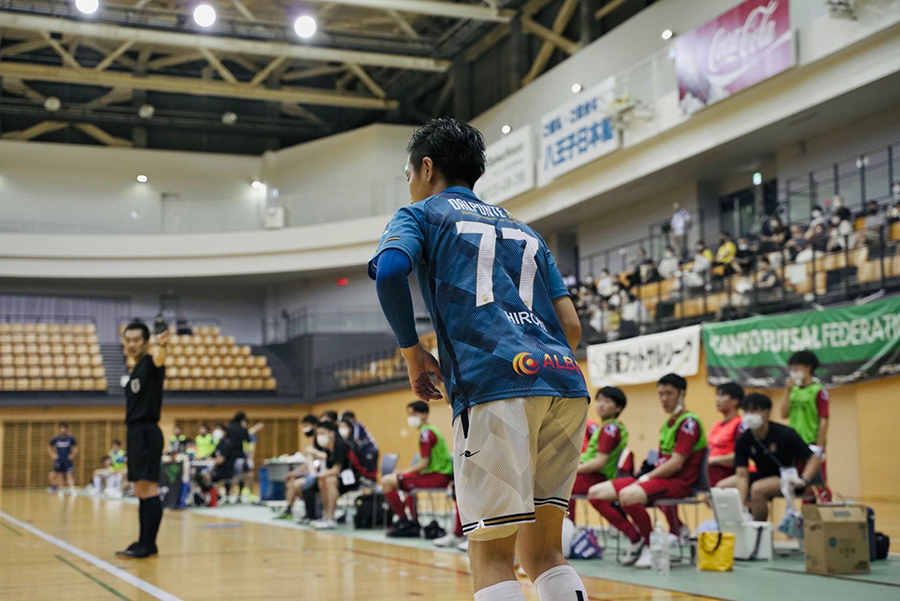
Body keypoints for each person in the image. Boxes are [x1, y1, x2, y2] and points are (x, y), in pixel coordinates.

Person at [369, 117, 591, 601]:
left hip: (494, 386)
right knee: (545, 554)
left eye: (409, 175)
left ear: (427, 168)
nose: (410, 185)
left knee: (491, 558)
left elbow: (389, 272)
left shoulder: (422, 214)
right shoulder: (524, 230)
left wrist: (412, 353)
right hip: (565, 385)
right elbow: (571, 327)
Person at [588, 374, 707, 568]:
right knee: (596, 493)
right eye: (660, 394)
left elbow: (676, 463)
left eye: (669, 393)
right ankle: (636, 538)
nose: (664, 399)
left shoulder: (689, 423)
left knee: (628, 495)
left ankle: (650, 546)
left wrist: (646, 477)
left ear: (682, 394)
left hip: (679, 483)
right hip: (658, 479)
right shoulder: (668, 424)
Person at [717, 393, 821, 520]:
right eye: (746, 411)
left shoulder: (785, 434)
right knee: (721, 487)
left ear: (766, 413)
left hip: (789, 478)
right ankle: (735, 521)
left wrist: (804, 479)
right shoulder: (744, 439)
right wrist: (741, 504)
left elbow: (814, 458)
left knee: (757, 489)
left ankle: (759, 527)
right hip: (763, 475)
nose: (749, 415)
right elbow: (742, 475)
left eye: (753, 411)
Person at [116, 319, 168, 559]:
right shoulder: (135, 369)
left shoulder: (150, 362)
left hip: (147, 432)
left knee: (149, 489)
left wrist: (161, 345)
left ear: (146, 342)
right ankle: (142, 541)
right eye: (128, 340)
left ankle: (150, 544)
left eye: (137, 340)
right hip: (136, 433)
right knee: (140, 489)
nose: (132, 344)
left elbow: (159, 358)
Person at [380, 401, 454, 537]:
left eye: (413, 414)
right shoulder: (429, 430)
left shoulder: (426, 434)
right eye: (409, 415)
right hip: (435, 475)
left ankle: (404, 521)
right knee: (404, 484)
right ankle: (413, 521)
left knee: (386, 482)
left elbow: (424, 463)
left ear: (423, 414)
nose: (410, 418)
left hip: (437, 477)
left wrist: (403, 472)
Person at [567, 387, 628, 522]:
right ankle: (567, 527)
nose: (601, 405)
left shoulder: (607, 428)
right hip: (587, 471)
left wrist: (573, 469)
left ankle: (567, 527)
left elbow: (599, 461)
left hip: (596, 476)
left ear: (618, 407)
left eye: (607, 401)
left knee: (559, 486)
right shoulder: (603, 427)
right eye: (599, 400)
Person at [780, 350, 831, 499]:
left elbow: (824, 419)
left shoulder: (818, 390)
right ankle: (808, 512)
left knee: (819, 482)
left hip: (812, 443)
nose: (794, 370)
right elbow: (783, 414)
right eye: (792, 367)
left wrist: (819, 446)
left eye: (797, 366)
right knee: (802, 482)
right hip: (796, 444)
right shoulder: (793, 390)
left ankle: (827, 508)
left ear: (808, 367)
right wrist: (787, 390)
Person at [310, 420, 360, 530]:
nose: (319, 437)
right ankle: (326, 514)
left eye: (322, 433)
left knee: (329, 480)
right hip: (340, 478)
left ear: (331, 433)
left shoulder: (340, 445)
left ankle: (331, 517)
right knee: (322, 480)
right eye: (318, 434)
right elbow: (329, 468)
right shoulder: (328, 448)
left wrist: (320, 475)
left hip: (352, 478)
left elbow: (336, 470)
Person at [707, 383, 744, 487]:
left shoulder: (739, 425)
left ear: (735, 401)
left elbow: (741, 456)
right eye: (717, 395)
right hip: (710, 470)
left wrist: (714, 460)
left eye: (722, 395)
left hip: (726, 471)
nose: (717, 399)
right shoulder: (716, 425)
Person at [338, 412, 379, 479]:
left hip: (369, 450)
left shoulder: (357, 426)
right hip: (362, 450)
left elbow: (356, 441)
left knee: (369, 468)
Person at [48, 422, 78, 495]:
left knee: (69, 474)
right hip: (59, 459)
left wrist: (73, 455)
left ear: (66, 429)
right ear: (59, 429)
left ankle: (72, 489)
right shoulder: (56, 438)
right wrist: (52, 454)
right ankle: (61, 489)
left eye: (64, 428)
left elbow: (75, 446)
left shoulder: (70, 438)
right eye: (61, 428)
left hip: (67, 460)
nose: (63, 430)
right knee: (59, 474)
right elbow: (49, 446)